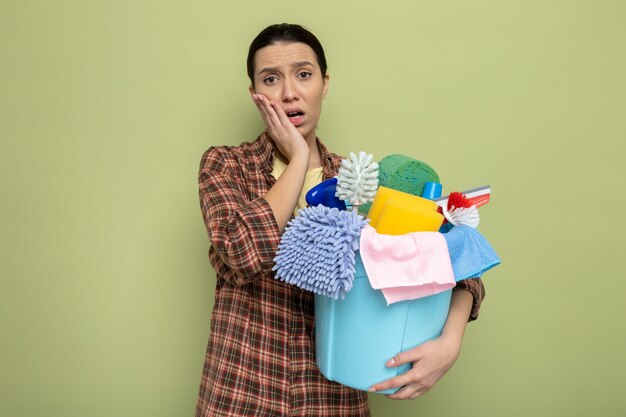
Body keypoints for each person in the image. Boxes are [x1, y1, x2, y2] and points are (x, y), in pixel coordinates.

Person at [196, 23, 485, 417]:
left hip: (331, 399)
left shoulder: (360, 181)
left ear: (324, 83)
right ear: (255, 95)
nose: (289, 92)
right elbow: (243, 254)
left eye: (303, 74)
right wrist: (299, 159)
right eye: (270, 79)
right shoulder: (226, 165)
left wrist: (450, 342)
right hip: (243, 394)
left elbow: (451, 258)